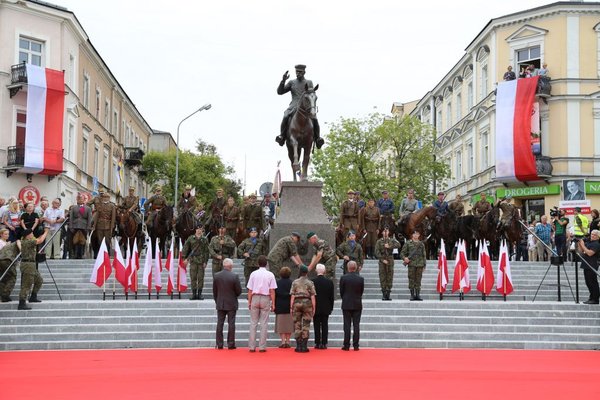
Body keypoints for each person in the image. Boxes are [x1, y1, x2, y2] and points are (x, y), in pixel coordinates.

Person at [275, 64, 324, 149]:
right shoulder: (292, 82)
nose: (298, 73)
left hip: (306, 107)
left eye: (300, 72)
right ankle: (282, 136)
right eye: (297, 71)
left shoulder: (309, 82)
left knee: (315, 119)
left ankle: (317, 138)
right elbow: (280, 92)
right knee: (286, 116)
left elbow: (311, 94)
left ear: (304, 72)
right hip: (293, 105)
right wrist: (283, 81)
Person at [246, 255, 277, 352]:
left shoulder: (253, 274)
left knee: (253, 323)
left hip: (255, 297)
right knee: (264, 323)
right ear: (266, 263)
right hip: (265, 298)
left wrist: (249, 301)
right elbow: (272, 290)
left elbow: (250, 290)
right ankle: (262, 347)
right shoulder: (270, 274)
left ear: (258, 263)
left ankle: (252, 346)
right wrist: (273, 303)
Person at [213, 258, 242, 349]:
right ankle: (231, 344)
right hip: (231, 302)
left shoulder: (216, 275)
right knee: (231, 324)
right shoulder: (234, 276)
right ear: (231, 266)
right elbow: (239, 291)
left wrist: (217, 300)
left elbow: (215, 291)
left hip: (220, 302)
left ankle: (219, 344)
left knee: (220, 323)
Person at [17, 228, 49, 310]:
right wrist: (46, 232)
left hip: (32, 264)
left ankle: (33, 296)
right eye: (31, 233)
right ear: (27, 235)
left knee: (39, 280)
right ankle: (22, 303)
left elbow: (38, 239)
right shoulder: (27, 242)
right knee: (26, 284)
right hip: (28, 265)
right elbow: (40, 240)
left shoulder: (29, 241)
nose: (32, 235)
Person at [290, 264, 316, 353]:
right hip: (307, 303)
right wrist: (314, 307)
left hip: (297, 303)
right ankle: (304, 346)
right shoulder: (310, 283)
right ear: (306, 272)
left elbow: (292, 296)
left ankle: (298, 346)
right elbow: (313, 296)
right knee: (306, 324)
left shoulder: (295, 282)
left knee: (297, 324)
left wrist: (291, 307)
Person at [339, 261, 364, 351]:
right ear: (356, 267)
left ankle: (346, 345)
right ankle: (356, 345)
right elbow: (361, 291)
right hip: (357, 303)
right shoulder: (360, 279)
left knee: (347, 325)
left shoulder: (343, 278)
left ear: (348, 268)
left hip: (346, 303)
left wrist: (345, 298)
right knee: (356, 325)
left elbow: (341, 291)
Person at [182, 224, 209, 300]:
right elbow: (185, 248)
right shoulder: (191, 238)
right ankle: (194, 294)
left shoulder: (204, 239)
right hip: (193, 260)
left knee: (200, 278)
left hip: (201, 261)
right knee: (193, 277)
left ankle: (199, 294)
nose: (199, 230)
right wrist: (184, 258)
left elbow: (207, 251)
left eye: (200, 229)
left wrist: (205, 261)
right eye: (198, 229)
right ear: (195, 230)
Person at [375, 226, 401, 300]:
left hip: (390, 259)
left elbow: (398, 245)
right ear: (382, 232)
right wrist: (382, 259)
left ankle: (388, 293)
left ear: (388, 232)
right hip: (382, 260)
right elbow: (377, 252)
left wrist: (389, 246)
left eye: (387, 231)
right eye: (384, 231)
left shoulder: (392, 240)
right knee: (382, 276)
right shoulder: (379, 241)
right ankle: (384, 293)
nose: (385, 233)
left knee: (390, 276)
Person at [312, 263, 334, 349]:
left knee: (316, 325)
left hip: (316, 306)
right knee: (325, 325)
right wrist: (331, 307)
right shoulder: (329, 282)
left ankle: (317, 343)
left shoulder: (312, 282)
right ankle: (324, 343)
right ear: (324, 271)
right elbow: (331, 297)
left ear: (316, 271)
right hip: (326, 306)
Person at [400, 230, 427, 301]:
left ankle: (417, 295)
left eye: (417, 234)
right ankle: (412, 295)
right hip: (411, 264)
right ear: (412, 235)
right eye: (414, 234)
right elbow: (402, 253)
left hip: (420, 265)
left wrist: (424, 265)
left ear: (419, 235)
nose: (415, 235)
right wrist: (405, 258)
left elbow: (424, 255)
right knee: (411, 280)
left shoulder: (421, 244)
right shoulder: (408, 243)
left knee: (418, 280)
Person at [577, 230, 600, 304]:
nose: (592, 236)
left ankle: (595, 299)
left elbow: (590, 253)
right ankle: (591, 297)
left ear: (598, 237)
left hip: (592, 265)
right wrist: (580, 244)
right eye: (592, 234)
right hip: (586, 264)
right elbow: (581, 251)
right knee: (588, 282)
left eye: (594, 235)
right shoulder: (589, 242)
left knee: (593, 282)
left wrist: (583, 245)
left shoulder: (596, 244)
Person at [68, 194, 93, 259]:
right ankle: (75, 254)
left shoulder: (88, 208)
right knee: (75, 241)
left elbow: (89, 218)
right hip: (75, 226)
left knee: (82, 241)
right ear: (77, 200)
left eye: (81, 199)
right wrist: (71, 226)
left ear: (84, 200)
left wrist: (88, 228)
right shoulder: (74, 208)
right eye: (79, 199)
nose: (80, 200)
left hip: (84, 227)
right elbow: (71, 218)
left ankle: (81, 254)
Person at [274, 266, 294, 348]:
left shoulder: (277, 283)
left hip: (280, 305)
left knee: (280, 324)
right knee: (289, 324)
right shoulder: (292, 282)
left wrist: (274, 304)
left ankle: (282, 341)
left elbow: (275, 294)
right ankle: (288, 341)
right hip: (289, 305)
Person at [0, 237, 19, 302]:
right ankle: (5, 295)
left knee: (4, 278)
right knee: (12, 277)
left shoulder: (9, 245)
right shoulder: (19, 241)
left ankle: (2, 293)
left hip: (1, 259)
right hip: (8, 260)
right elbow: (18, 241)